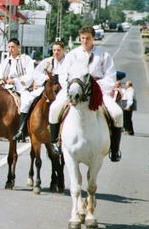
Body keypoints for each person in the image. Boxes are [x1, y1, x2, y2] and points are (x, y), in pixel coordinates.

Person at [49, 26, 123, 162]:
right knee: (54, 108)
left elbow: (110, 76)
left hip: (98, 91)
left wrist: (95, 86)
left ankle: (114, 148)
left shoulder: (104, 55)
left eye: (88, 38)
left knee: (117, 113)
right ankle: (54, 142)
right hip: (75, 90)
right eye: (82, 38)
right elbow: (63, 74)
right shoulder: (73, 54)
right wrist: (72, 87)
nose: (84, 41)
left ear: (93, 38)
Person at [0, 38, 35, 142]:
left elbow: (30, 75)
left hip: (21, 88)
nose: (11, 49)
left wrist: (15, 81)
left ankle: (21, 130)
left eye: (13, 47)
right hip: (6, 87)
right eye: (9, 47)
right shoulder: (6, 61)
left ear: (18, 47)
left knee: (26, 102)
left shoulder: (26, 59)